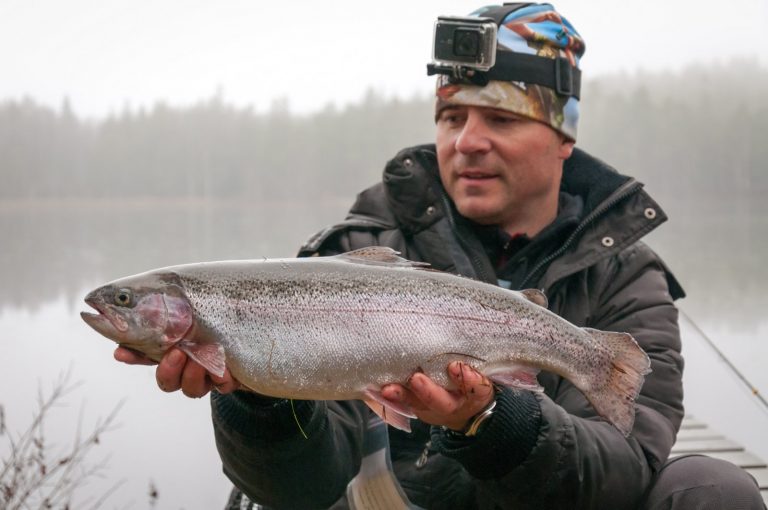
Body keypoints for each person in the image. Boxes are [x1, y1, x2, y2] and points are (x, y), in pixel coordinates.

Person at [116, 3, 766, 509]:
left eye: (501, 121)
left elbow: (621, 477)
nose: (468, 142)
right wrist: (259, 398)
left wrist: (493, 418)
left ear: (563, 137)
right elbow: (300, 489)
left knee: (716, 489)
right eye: (452, 118)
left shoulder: (629, 280)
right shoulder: (351, 256)